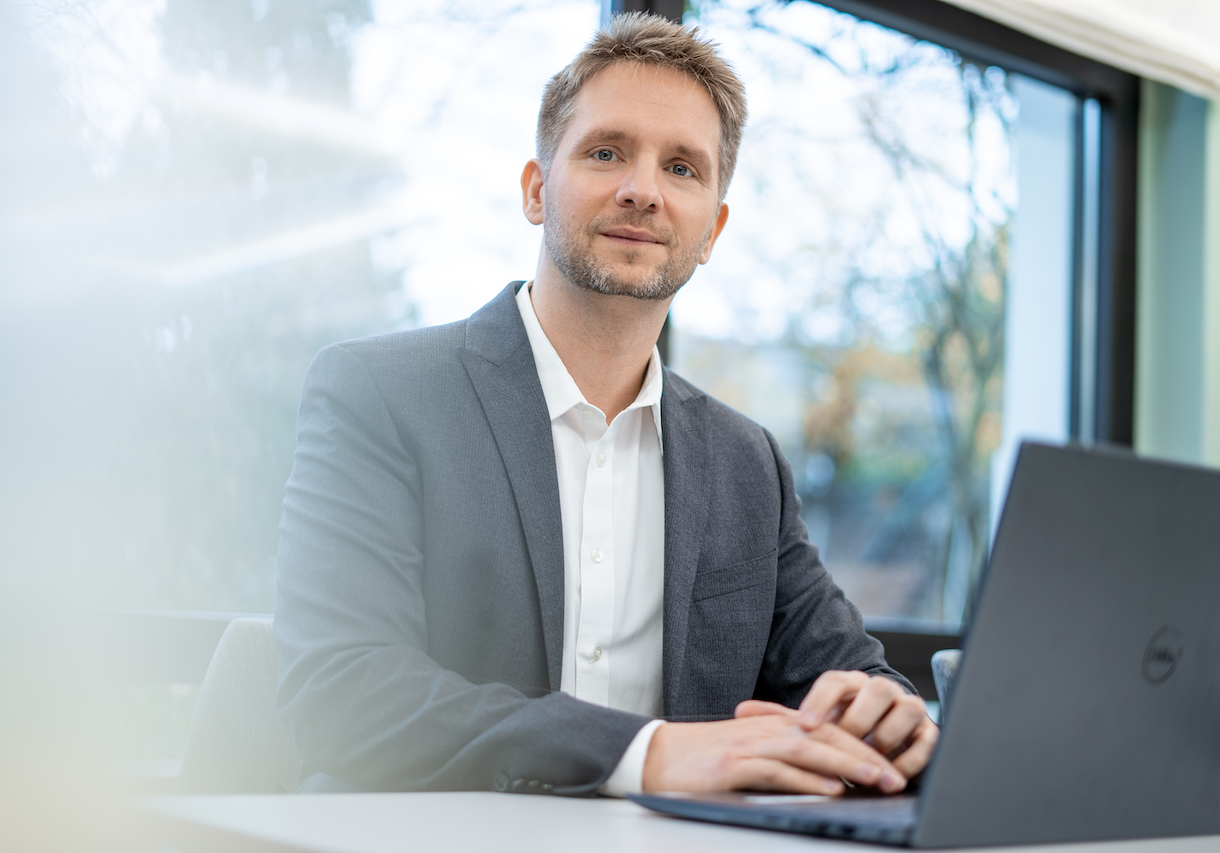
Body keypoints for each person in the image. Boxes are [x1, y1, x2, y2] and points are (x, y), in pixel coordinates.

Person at [274, 12, 938, 798]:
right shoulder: (379, 394)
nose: (642, 190)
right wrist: (647, 754)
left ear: (713, 229)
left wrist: (884, 710)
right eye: (606, 152)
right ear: (535, 188)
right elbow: (339, 692)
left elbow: (850, 673)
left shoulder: (746, 464)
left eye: (683, 169)